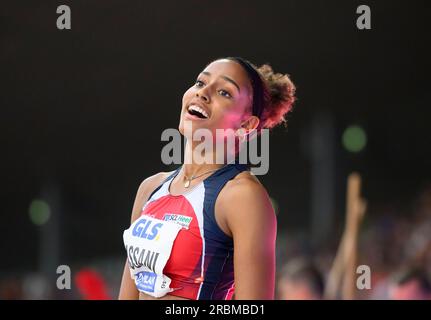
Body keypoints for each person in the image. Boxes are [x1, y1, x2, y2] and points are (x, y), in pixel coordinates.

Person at [118, 57, 296, 300]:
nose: (203, 93)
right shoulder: (150, 189)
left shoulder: (241, 196)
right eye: (200, 82)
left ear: (246, 125)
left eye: (224, 91)